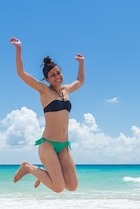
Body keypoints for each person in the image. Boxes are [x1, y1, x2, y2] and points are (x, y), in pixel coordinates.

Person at [10, 37, 85, 193]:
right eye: (52, 75)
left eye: (58, 72)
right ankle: (28, 167)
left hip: (64, 146)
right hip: (48, 145)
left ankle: (45, 173)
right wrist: (18, 49)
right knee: (58, 188)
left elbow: (80, 80)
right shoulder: (44, 91)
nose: (57, 76)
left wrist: (81, 62)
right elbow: (21, 73)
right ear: (47, 79)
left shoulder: (66, 90)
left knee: (72, 186)